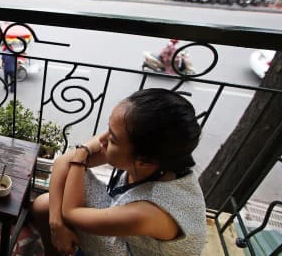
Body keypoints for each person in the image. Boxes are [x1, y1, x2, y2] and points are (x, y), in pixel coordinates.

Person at [32, 88, 206, 256]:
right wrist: (56, 223)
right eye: (108, 128)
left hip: (136, 250)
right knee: (45, 204)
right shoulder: (151, 155)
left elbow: (71, 212)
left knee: (53, 199)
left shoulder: (148, 213)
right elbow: (63, 162)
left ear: (144, 161)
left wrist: (81, 153)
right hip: (130, 228)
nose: (102, 138)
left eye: (113, 139)